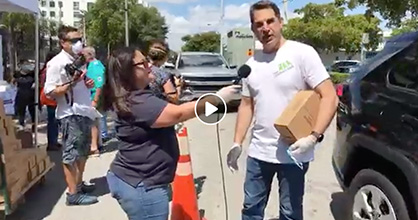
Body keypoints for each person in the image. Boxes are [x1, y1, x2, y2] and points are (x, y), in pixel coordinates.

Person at [226, 1, 338, 220]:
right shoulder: (252, 64)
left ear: (280, 22)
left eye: (270, 21)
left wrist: (314, 137)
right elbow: (247, 105)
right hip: (258, 154)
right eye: (259, 24)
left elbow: (330, 96)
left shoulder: (302, 54)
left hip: (294, 153)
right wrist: (237, 142)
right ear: (253, 29)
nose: (265, 28)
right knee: (251, 209)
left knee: (289, 212)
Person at [103, 46, 240, 220]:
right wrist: (217, 99)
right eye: (143, 63)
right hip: (142, 186)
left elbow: (171, 111)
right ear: (128, 71)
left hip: (136, 181)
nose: (149, 66)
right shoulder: (138, 101)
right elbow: (179, 113)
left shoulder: (136, 96)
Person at [44, 25, 99, 206]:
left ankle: (79, 184)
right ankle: (72, 194)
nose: (79, 43)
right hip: (70, 114)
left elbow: (81, 84)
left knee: (83, 153)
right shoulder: (56, 63)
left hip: (83, 111)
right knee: (71, 154)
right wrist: (71, 84)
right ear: (63, 43)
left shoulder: (78, 61)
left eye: (80, 39)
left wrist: (86, 83)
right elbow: (50, 91)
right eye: (74, 40)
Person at [82, 46, 106, 156]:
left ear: (89, 55)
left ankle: (94, 147)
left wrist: (95, 100)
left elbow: (99, 85)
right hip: (89, 97)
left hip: (93, 98)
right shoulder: (90, 66)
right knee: (94, 122)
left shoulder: (96, 66)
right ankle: (97, 143)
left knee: (92, 122)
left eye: (84, 55)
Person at [40, 50, 61, 151]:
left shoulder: (45, 69)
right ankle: (52, 143)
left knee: (54, 121)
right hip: (51, 97)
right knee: (53, 121)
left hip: (51, 97)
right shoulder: (50, 69)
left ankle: (54, 141)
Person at [14, 63, 35, 130]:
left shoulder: (19, 78)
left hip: (23, 96)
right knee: (31, 111)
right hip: (30, 95)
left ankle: (22, 124)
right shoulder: (31, 77)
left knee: (22, 111)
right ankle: (30, 125)